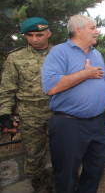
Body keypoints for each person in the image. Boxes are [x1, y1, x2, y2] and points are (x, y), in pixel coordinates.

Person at [41, 15, 105, 193]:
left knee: (95, 169)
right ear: (78, 30)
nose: (97, 31)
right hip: (69, 124)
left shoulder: (96, 54)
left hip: (99, 123)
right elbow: (50, 87)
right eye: (93, 28)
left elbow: (104, 84)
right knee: (66, 174)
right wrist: (85, 74)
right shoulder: (59, 52)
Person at [0, 17, 53, 192]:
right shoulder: (16, 57)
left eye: (39, 35)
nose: (35, 39)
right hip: (29, 112)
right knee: (33, 151)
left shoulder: (59, 53)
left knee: (62, 147)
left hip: (57, 110)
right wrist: (5, 114)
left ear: (48, 33)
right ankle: (38, 183)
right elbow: (7, 89)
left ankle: (60, 180)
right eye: (30, 35)